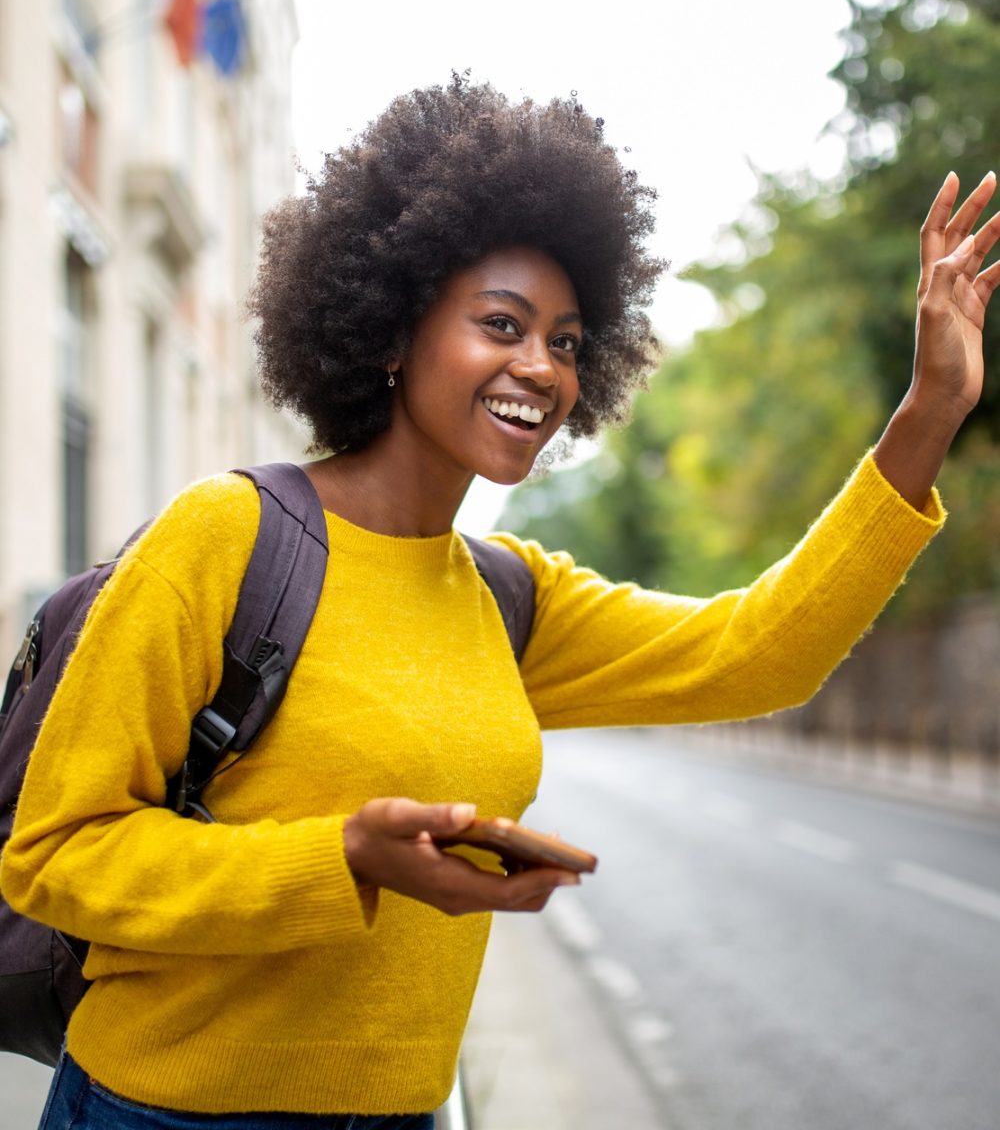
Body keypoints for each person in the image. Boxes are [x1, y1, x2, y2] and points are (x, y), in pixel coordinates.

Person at [3, 76, 999, 1129]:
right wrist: (338, 857)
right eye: (500, 324)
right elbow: (53, 854)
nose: (539, 367)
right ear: (393, 330)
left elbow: (757, 653)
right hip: (163, 1115)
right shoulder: (225, 537)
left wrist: (930, 407)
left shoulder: (509, 594)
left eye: (566, 342)